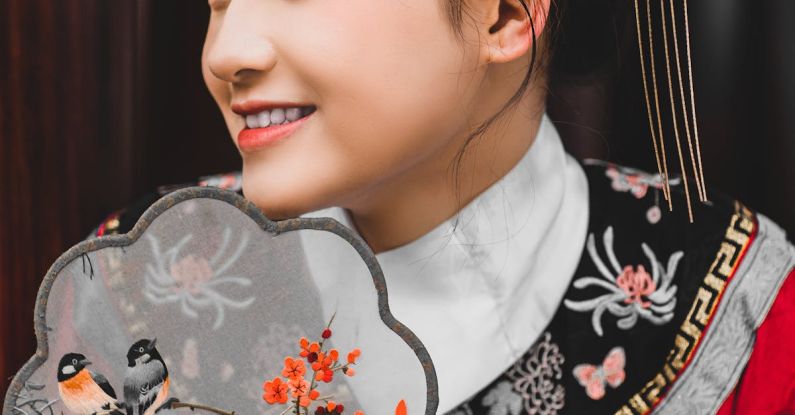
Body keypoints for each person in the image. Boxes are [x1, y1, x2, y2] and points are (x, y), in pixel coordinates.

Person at [88, 0, 795, 413]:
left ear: (503, 17)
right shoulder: (134, 282)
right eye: (218, 0)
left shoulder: (742, 306)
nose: (227, 51)